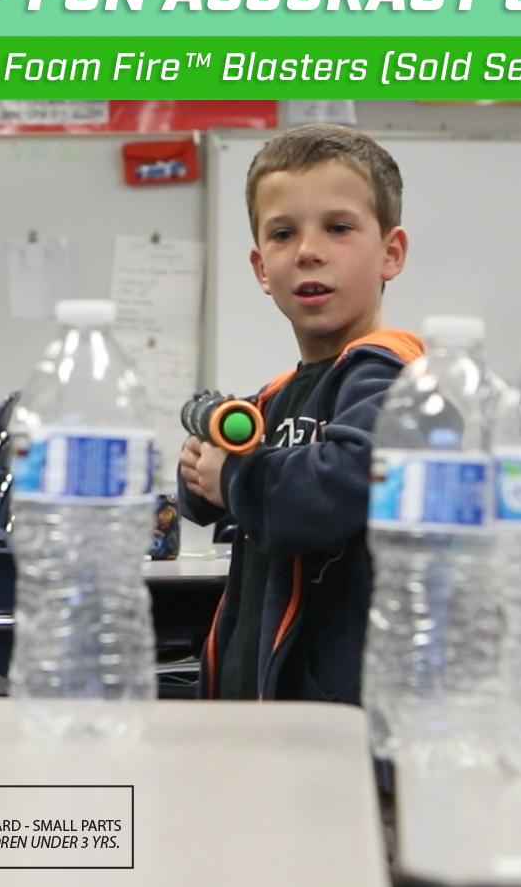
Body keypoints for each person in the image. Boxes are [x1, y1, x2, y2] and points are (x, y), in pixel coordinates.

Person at [179, 124, 423, 704]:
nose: (309, 250)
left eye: (338, 228)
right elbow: (227, 499)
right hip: (257, 707)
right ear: (263, 269)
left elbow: (336, 488)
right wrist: (199, 475)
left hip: (346, 719)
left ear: (390, 254)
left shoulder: (395, 376)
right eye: (284, 234)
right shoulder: (275, 396)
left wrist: (233, 476)